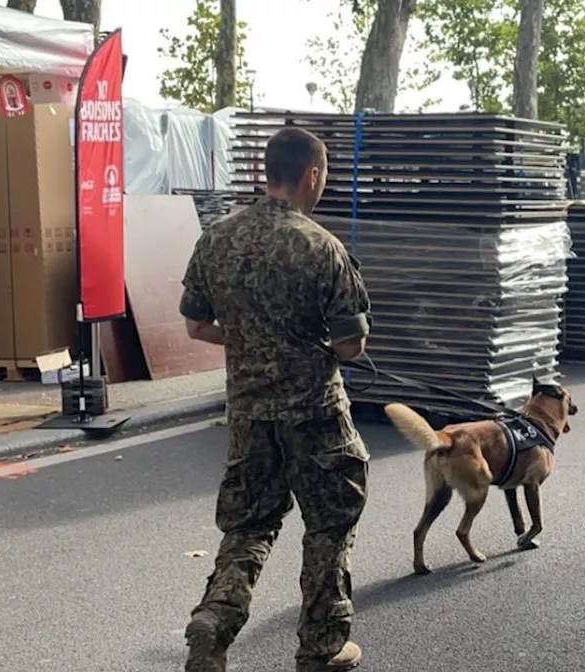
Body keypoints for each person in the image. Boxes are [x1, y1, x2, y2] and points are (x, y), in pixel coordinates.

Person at [179, 127, 373, 672]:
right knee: (330, 522)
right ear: (312, 174)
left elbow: (196, 325)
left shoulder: (215, 239)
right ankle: (322, 646)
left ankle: (215, 622)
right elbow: (351, 344)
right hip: (315, 413)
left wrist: (244, 338)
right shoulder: (321, 246)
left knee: (249, 525)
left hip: (248, 415)